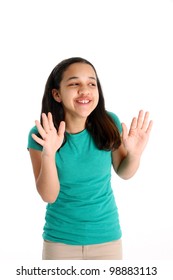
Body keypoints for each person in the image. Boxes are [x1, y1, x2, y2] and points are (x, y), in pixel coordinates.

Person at [27, 57, 153, 260]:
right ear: (57, 94)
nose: (85, 90)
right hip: (60, 242)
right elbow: (48, 195)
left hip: (107, 240)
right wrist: (49, 153)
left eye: (91, 83)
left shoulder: (108, 122)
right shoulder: (42, 134)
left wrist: (135, 154)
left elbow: (124, 171)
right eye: (75, 83)